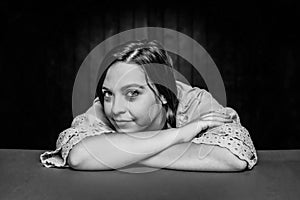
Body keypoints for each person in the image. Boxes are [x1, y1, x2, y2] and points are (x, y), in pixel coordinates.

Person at [40, 40, 257, 171]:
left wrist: (119, 154)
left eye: (132, 93)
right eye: (108, 94)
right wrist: (179, 136)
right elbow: (79, 156)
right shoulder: (101, 110)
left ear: (163, 94)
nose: (115, 109)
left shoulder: (195, 102)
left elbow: (234, 157)